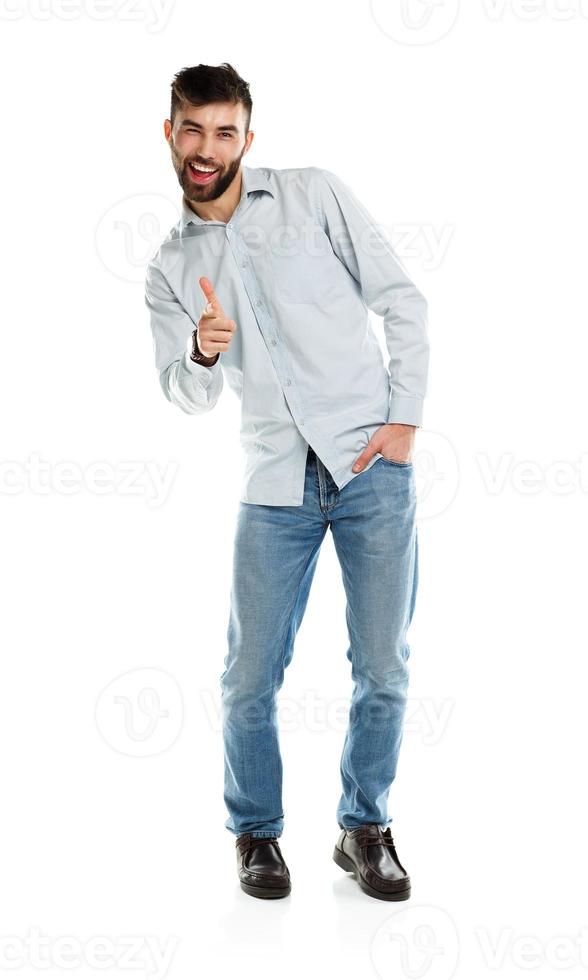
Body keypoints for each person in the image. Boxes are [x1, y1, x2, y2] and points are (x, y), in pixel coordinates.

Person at [145, 62, 430, 902]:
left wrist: (405, 420)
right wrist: (201, 348)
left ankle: (364, 826)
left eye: (223, 131)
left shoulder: (313, 195)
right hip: (274, 485)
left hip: (371, 468)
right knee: (247, 676)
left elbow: (403, 300)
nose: (206, 148)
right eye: (191, 129)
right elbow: (184, 394)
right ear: (169, 133)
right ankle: (257, 835)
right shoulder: (170, 265)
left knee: (383, 666)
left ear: (247, 139)